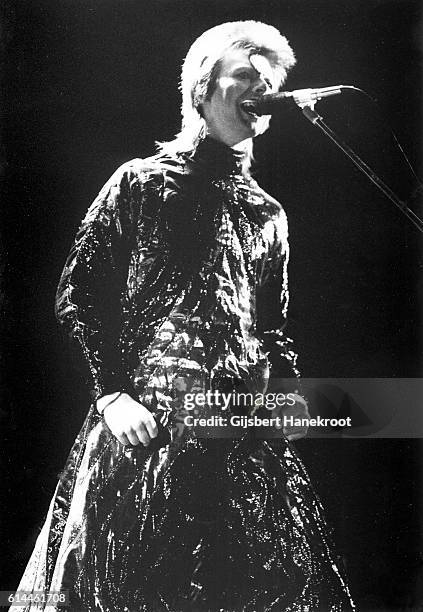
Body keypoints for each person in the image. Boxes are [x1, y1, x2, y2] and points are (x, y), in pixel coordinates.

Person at [11, 21, 355, 611]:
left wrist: (283, 400)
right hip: (150, 428)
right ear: (202, 87)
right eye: (246, 74)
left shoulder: (268, 213)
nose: (264, 84)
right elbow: (81, 295)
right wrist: (113, 395)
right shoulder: (139, 184)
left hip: (236, 432)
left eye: (271, 78)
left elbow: (271, 329)